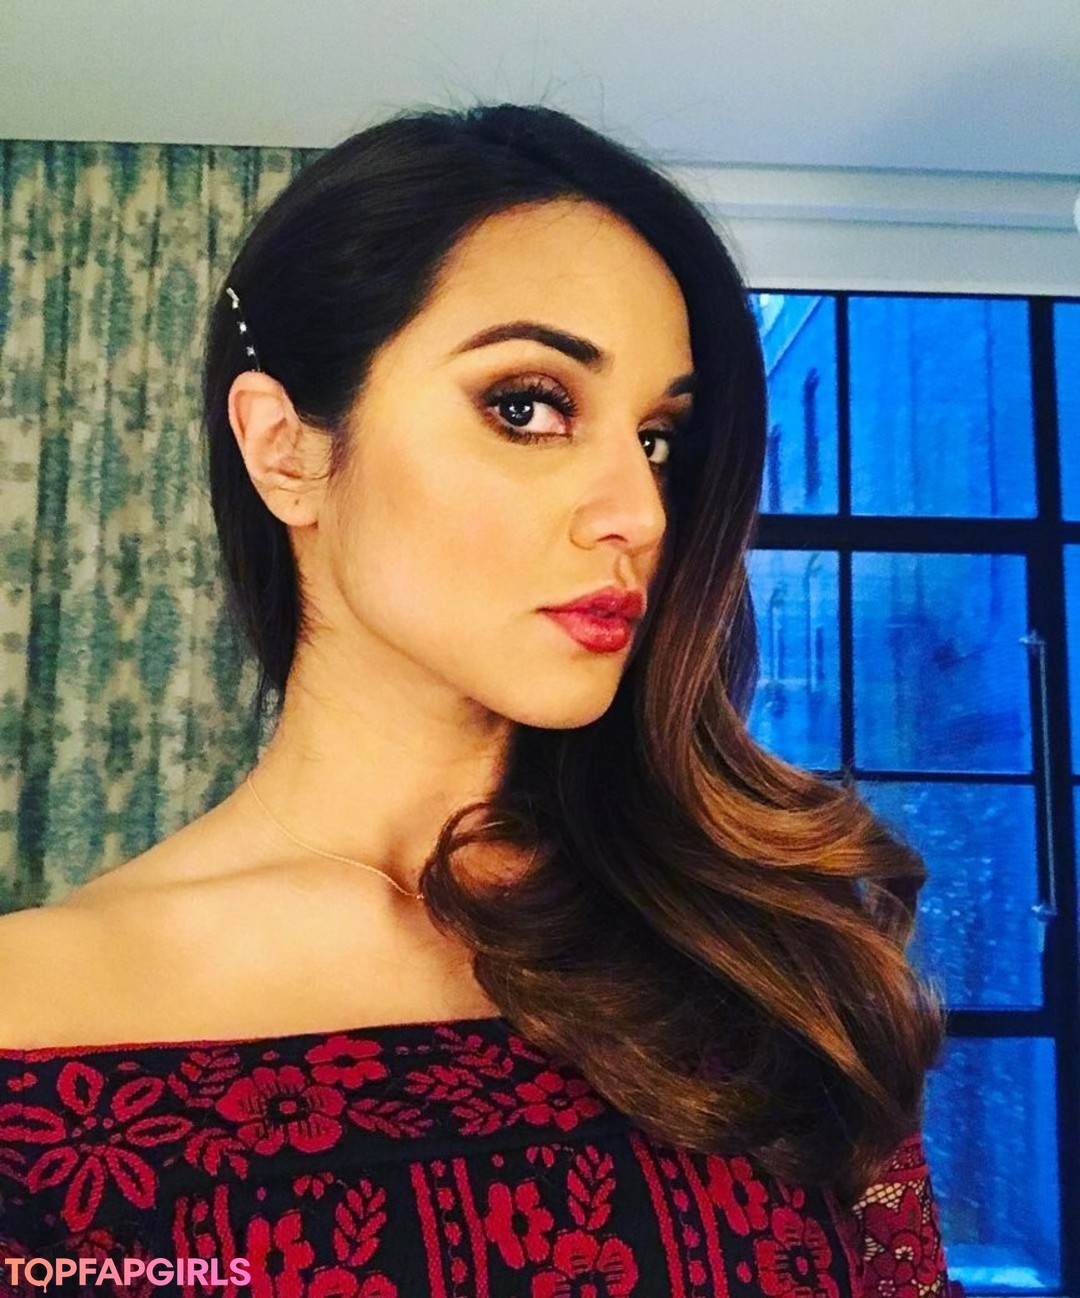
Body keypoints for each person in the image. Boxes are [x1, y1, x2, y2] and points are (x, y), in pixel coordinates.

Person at [0, 104, 959, 1297]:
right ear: (286, 449)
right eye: (529, 405)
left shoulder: (759, 945)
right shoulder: (36, 1019)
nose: (639, 513)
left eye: (660, 439)